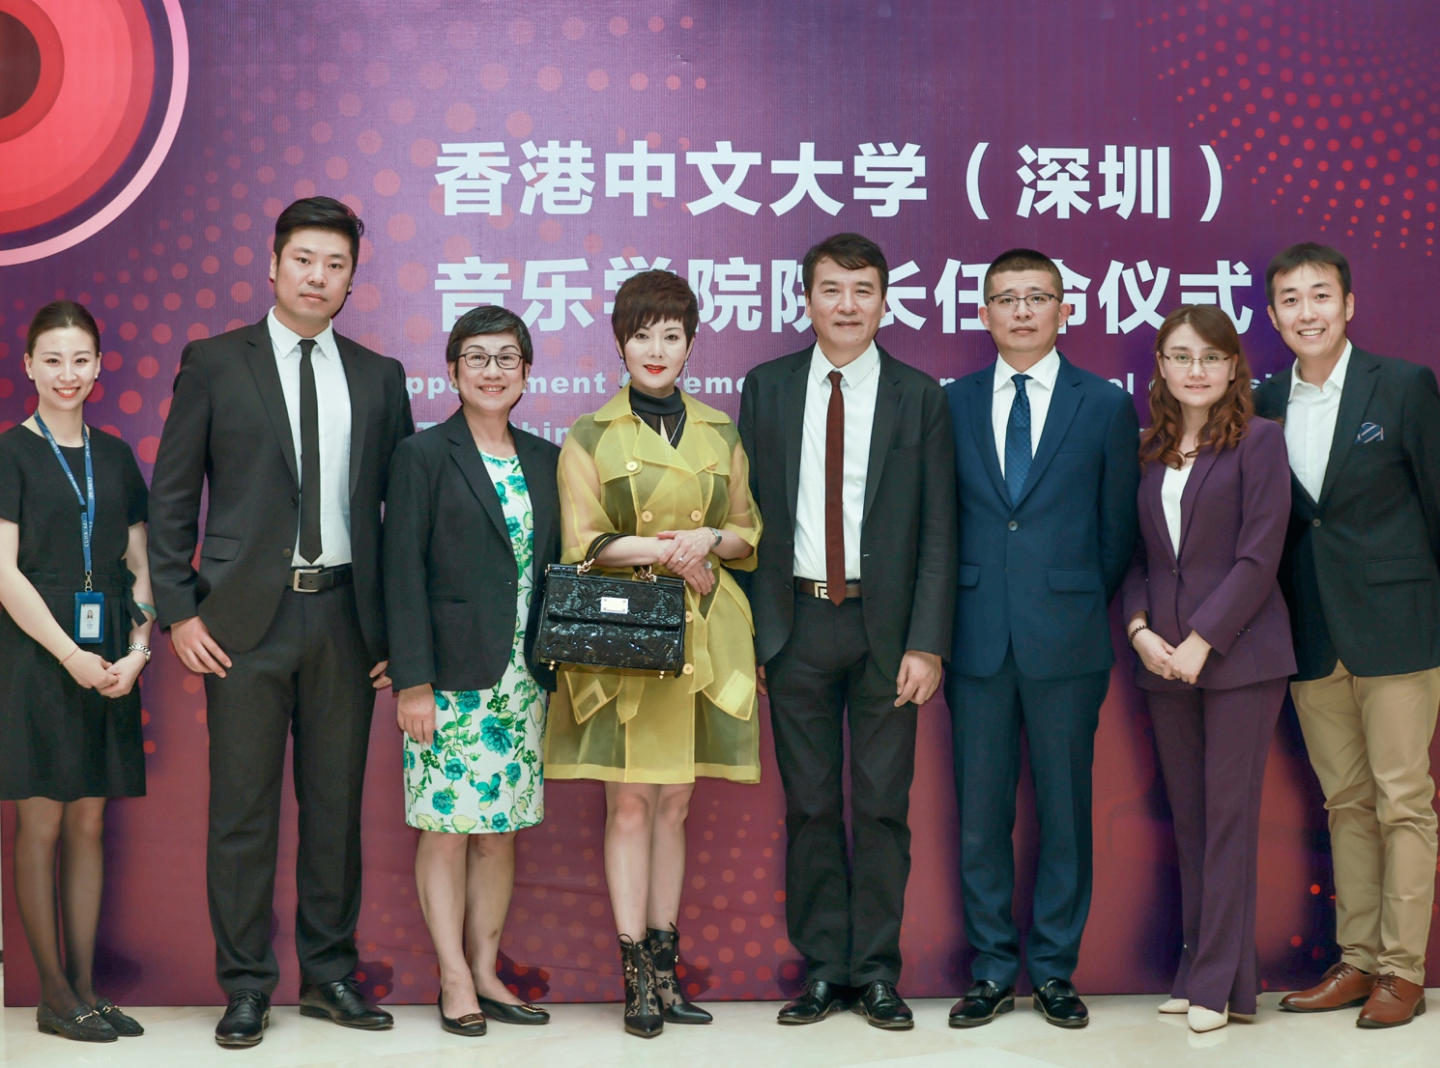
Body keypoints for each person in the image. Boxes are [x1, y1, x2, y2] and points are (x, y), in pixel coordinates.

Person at [147, 196, 414, 1048]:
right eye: (304, 259)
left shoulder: (379, 376)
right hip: (242, 624)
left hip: (345, 621)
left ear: (351, 281)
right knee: (243, 812)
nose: (317, 277)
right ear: (273, 265)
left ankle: (330, 975)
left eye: (335, 265)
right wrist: (179, 611)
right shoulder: (215, 363)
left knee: (335, 809)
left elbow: (400, 519)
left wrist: (397, 640)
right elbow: (172, 497)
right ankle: (246, 986)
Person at [738, 233, 957, 1031]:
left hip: (886, 633)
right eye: (832, 289)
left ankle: (876, 972)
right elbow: (746, 516)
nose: (847, 304)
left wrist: (927, 642)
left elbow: (940, 529)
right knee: (809, 807)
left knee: (883, 806)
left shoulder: (918, 396)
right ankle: (824, 968)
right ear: (806, 300)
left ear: (885, 302)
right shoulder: (767, 388)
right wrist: (759, 637)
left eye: (863, 290)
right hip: (795, 627)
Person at [545, 269, 762, 1038]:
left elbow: (746, 534)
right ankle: (634, 974)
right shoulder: (591, 434)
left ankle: (668, 972)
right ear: (620, 342)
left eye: (672, 335)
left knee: (676, 804)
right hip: (629, 639)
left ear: (692, 343)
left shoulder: (720, 430)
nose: (658, 349)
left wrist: (710, 539)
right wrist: (676, 550)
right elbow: (583, 543)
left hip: (704, 633)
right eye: (643, 335)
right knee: (631, 804)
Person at [944, 248, 1139, 1030]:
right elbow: (939, 522)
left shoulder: (1105, 406)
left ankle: (1055, 969)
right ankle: (992, 969)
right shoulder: (951, 403)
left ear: (1065, 309)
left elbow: (1116, 532)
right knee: (980, 815)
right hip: (975, 638)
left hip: (1067, 639)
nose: (1021, 310)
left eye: (1036, 296)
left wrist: (1069, 597)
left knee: (1065, 811)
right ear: (983, 313)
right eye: (1006, 298)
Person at [1253, 243, 1440, 1029]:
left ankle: (1403, 970)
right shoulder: (1263, 400)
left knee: (1404, 800)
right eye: (1291, 300)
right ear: (1273, 315)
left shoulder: (1403, 385)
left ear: (1349, 304)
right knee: (1347, 804)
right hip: (1310, 632)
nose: (1308, 312)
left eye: (1320, 295)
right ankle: (1358, 961)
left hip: (1398, 625)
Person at [383, 306, 560, 1036]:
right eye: (478, 358)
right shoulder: (423, 456)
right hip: (448, 683)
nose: (493, 371)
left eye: (507, 358)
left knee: (500, 830)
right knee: (447, 829)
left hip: (524, 681)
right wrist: (412, 681)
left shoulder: (547, 459)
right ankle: (452, 975)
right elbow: (401, 573)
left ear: (527, 372)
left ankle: (486, 970)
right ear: (453, 372)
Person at [1120, 305, 1294, 1033]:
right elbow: (1137, 556)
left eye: (1211, 357)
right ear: (1160, 366)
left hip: (1240, 659)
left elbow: (1260, 555)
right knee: (1190, 822)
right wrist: (1138, 630)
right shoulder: (1149, 447)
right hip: (1163, 661)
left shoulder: (1260, 440)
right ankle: (1206, 973)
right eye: (1181, 356)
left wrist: (1203, 640)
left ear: (1233, 368)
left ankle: (1215, 985)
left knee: (1228, 820)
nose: (1196, 370)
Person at [0, 301, 153, 1043]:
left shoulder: (115, 456)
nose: (68, 373)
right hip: (37, 654)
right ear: (29, 365)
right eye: (53, 359)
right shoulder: (10, 452)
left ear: (98, 367)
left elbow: (140, 564)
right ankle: (53, 994)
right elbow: (3, 573)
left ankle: (87, 990)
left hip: (111, 655)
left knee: (90, 816)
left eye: (81, 359)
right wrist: (69, 654)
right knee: (42, 818)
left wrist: (138, 652)